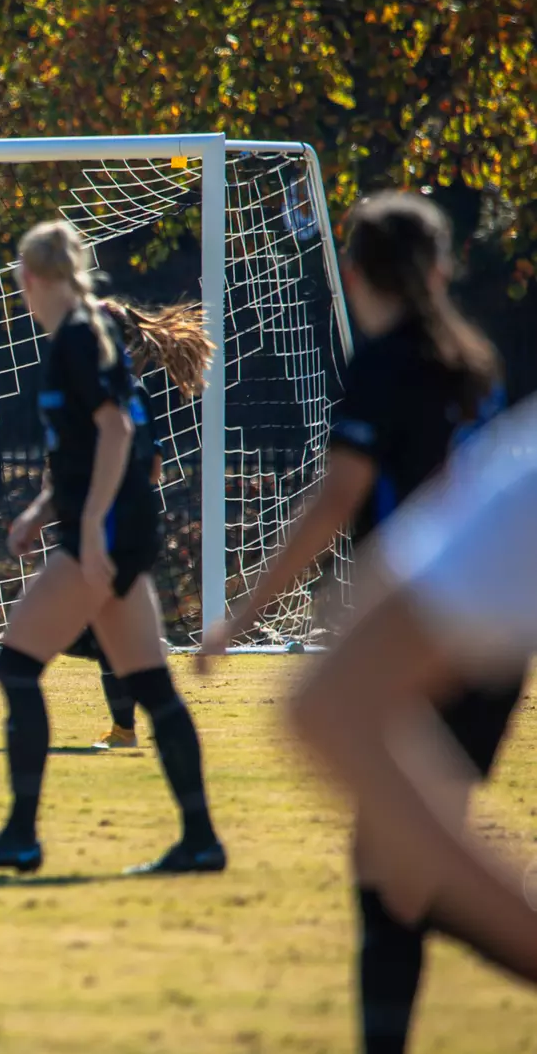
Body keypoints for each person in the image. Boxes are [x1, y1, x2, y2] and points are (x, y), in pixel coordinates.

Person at [200, 191, 523, 1051]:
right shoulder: (476, 365)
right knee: (397, 868)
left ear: (352, 272)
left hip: (419, 645)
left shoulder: (385, 365)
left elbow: (337, 498)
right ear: (441, 269)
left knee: (404, 874)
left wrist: (245, 612)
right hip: (491, 652)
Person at [0, 221, 225, 876]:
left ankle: (20, 836)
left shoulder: (77, 335)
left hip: (108, 531)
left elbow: (117, 431)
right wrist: (42, 511)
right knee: (152, 686)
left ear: (29, 278)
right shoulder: (85, 331)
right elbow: (89, 450)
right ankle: (200, 840)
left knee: (15, 668)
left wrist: (92, 523)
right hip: (118, 525)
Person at [290, 390, 537, 995]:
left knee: (391, 876)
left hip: (434, 635)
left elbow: (328, 705)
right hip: (452, 642)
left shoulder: (517, 473)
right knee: (394, 874)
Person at [73, 299, 212, 751]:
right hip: (119, 520)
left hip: (117, 523)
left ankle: (134, 717)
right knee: (101, 627)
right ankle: (131, 720)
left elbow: (143, 463)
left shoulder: (117, 392)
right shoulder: (114, 389)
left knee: (89, 630)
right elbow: (152, 465)